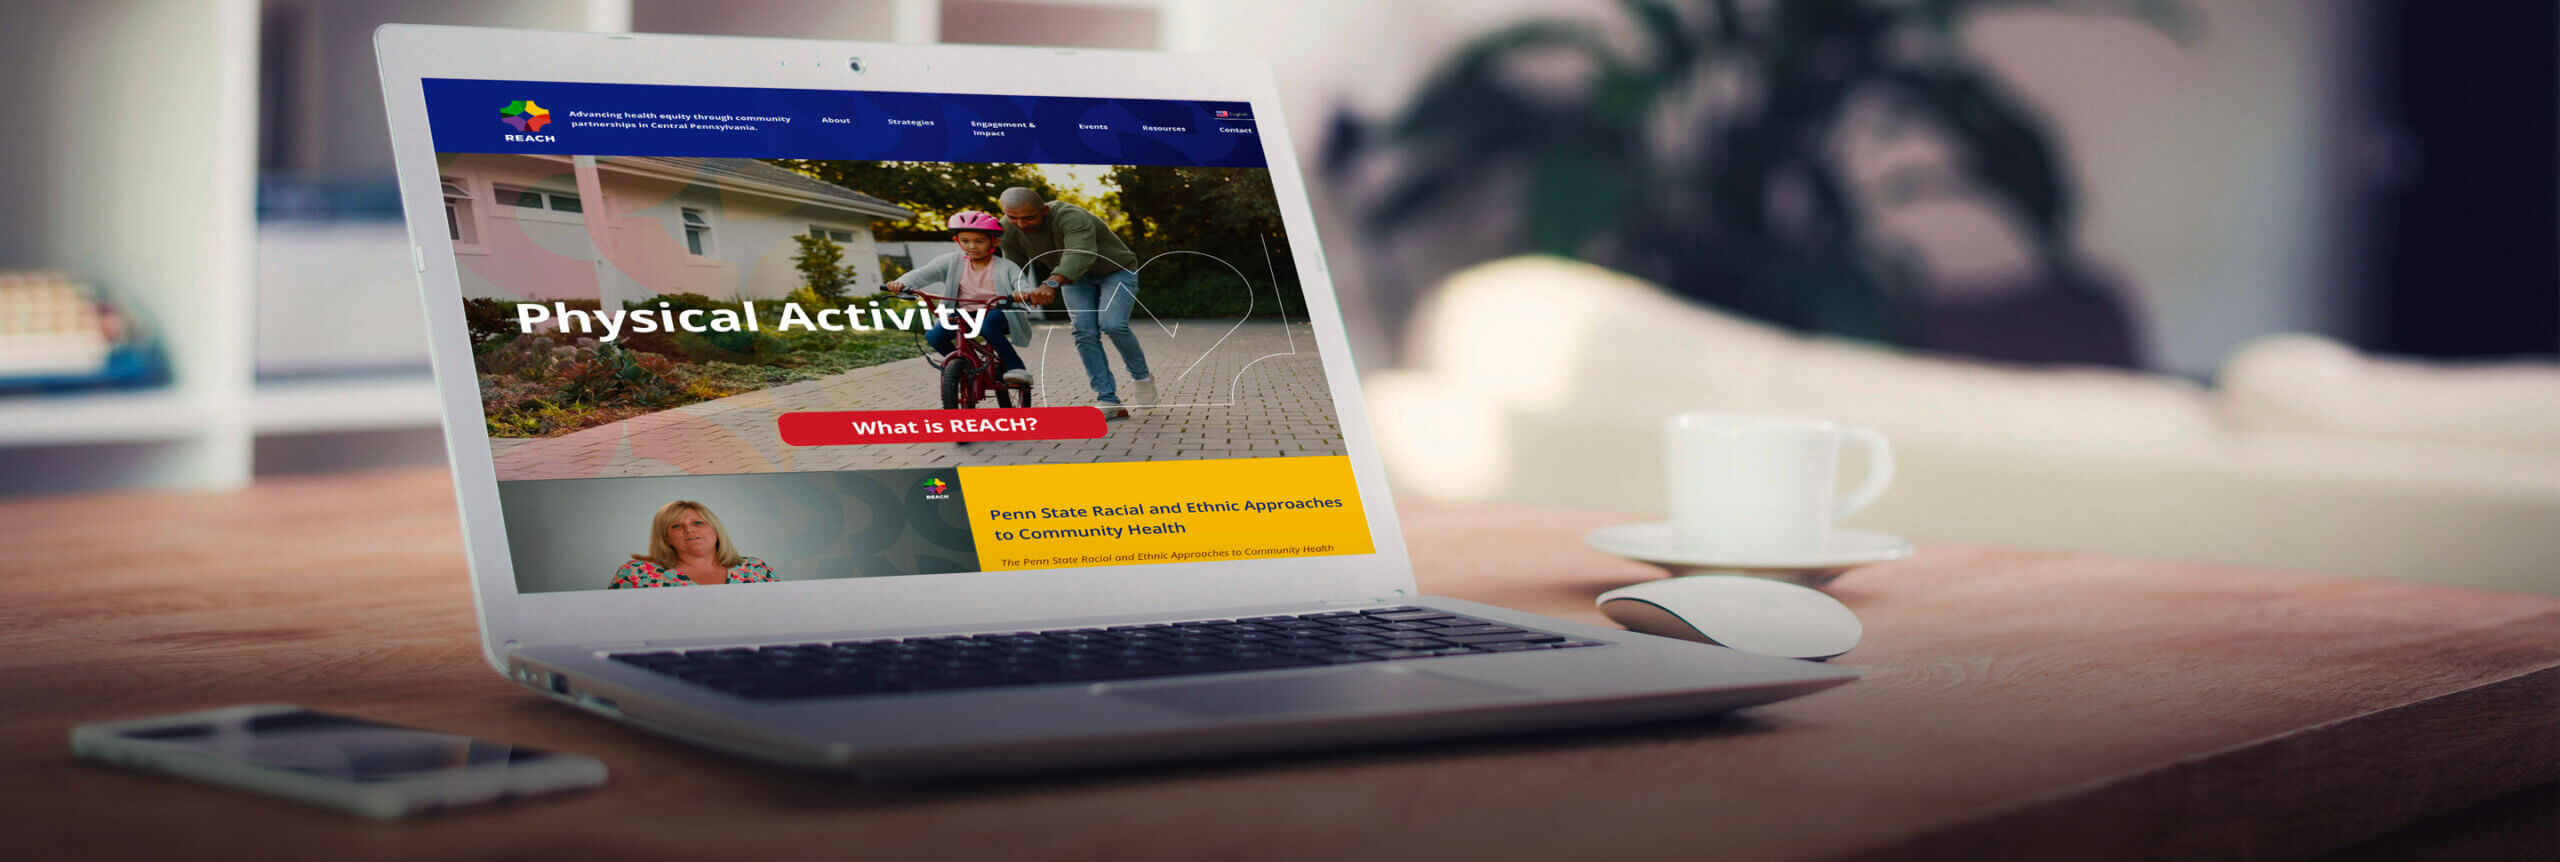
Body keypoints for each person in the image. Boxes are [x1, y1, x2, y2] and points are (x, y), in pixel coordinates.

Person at [998, 187, 1154, 418]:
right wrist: (1018, 291)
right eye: (1013, 218)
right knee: (1083, 331)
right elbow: (1013, 266)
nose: (1021, 224)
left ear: (1045, 210)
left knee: (1112, 324)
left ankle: (1141, 376)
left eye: (1029, 217)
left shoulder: (1071, 216)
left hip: (1116, 271)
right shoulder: (1007, 228)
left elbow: (1080, 254)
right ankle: (1108, 400)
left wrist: (1050, 284)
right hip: (1075, 279)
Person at [885, 211, 1035, 385]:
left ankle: (1016, 368)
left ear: (994, 242)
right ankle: (966, 366)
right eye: (965, 241)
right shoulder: (952, 262)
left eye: (979, 241)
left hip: (997, 312)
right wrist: (900, 283)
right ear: (958, 241)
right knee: (934, 336)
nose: (972, 246)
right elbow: (921, 275)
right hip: (964, 313)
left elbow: (1020, 282)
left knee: (986, 326)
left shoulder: (1005, 266)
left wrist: (1022, 292)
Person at [608, 500, 777, 588]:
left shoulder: (756, 569)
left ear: (716, 529)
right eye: (676, 526)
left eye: (698, 523)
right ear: (666, 538)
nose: (689, 530)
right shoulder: (637, 574)